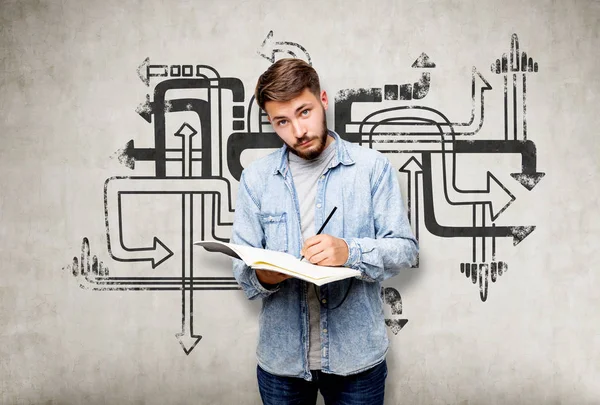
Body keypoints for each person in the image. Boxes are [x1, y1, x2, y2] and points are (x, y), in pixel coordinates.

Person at [231, 58, 418, 405]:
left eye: (304, 112)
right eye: (281, 122)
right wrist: (266, 276)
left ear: (324, 100)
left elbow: (405, 248)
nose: (297, 131)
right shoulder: (255, 180)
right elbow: (243, 273)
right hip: (282, 363)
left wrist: (350, 252)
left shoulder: (371, 168)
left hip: (357, 361)